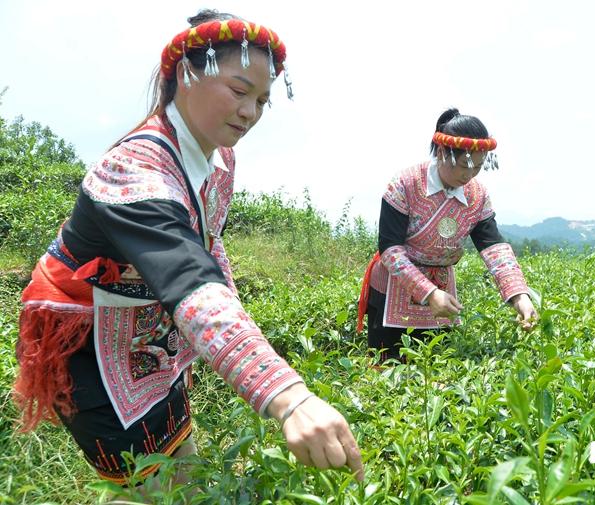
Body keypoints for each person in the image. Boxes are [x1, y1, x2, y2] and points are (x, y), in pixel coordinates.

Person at [13, 9, 363, 487]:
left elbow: (209, 249)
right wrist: (287, 395)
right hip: (89, 343)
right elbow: (191, 280)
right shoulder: (135, 170)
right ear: (185, 73)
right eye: (239, 92)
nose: (250, 112)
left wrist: (243, 337)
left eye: (262, 100)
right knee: (145, 485)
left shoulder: (220, 161)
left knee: (181, 468)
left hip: (149, 332)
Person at [356, 108, 538, 362]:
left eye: (478, 166)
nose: (470, 174)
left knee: (438, 368)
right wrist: (428, 293)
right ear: (442, 153)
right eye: (464, 165)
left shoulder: (477, 196)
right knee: (389, 369)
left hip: (443, 288)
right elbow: (390, 249)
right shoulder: (405, 184)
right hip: (394, 287)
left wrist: (520, 296)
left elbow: (494, 248)